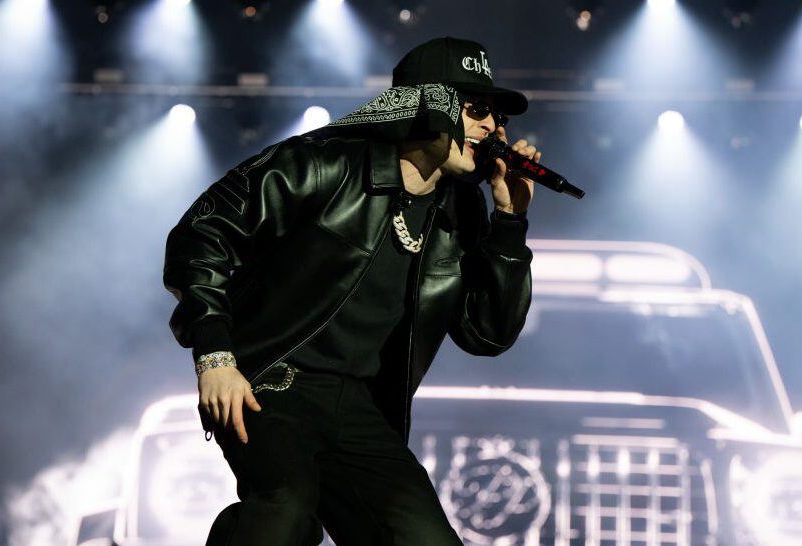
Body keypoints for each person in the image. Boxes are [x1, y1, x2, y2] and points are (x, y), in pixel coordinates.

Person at [163, 36, 541, 546]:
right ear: (428, 104)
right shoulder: (324, 163)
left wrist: (510, 222)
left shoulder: (463, 211)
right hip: (271, 382)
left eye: (498, 116)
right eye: (476, 109)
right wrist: (215, 356)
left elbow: (487, 333)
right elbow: (201, 236)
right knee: (284, 515)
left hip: (362, 408)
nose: (492, 127)